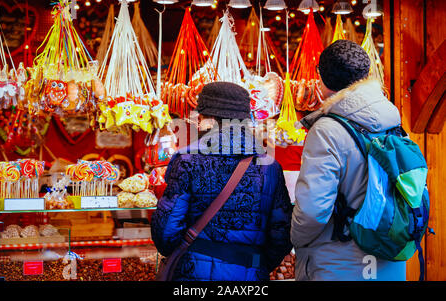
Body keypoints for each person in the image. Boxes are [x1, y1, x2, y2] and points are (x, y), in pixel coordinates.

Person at [151, 82, 293, 281]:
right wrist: (253, 265)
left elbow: (166, 232)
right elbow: (282, 233)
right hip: (249, 276)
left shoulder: (187, 160)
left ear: (206, 118)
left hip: (193, 275)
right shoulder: (269, 166)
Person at [291, 39, 406, 281]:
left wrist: (295, 241)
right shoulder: (392, 120)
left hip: (338, 261)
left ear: (324, 79)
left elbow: (313, 211)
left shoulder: (326, 130)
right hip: (389, 257)